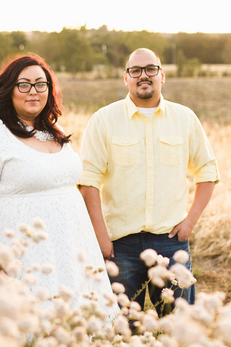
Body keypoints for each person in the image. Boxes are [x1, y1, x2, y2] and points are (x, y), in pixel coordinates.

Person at [0, 53, 115, 312]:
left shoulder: (54, 129)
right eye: (24, 84)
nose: (34, 91)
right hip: (21, 259)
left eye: (41, 84)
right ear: (9, 89)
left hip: (70, 253)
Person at [78, 47, 219, 315]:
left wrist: (189, 222)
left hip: (170, 241)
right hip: (120, 244)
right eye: (136, 70)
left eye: (150, 69)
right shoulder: (104, 120)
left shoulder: (184, 118)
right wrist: (101, 237)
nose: (144, 75)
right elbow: (88, 182)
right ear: (126, 78)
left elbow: (208, 172)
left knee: (178, 326)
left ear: (162, 75)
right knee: (120, 328)